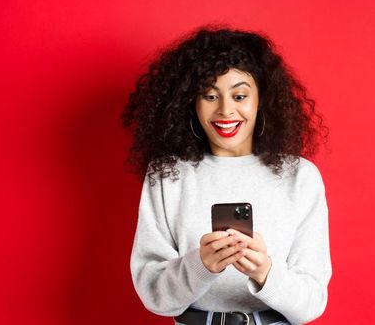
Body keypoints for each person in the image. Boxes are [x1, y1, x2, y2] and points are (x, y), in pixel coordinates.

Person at [122, 26, 331, 325]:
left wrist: (265, 273)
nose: (225, 110)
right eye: (210, 95)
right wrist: (200, 265)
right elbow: (154, 295)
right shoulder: (167, 176)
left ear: (262, 101)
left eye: (240, 95)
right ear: (191, 104)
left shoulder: (300, 178)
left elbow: (311, 304)